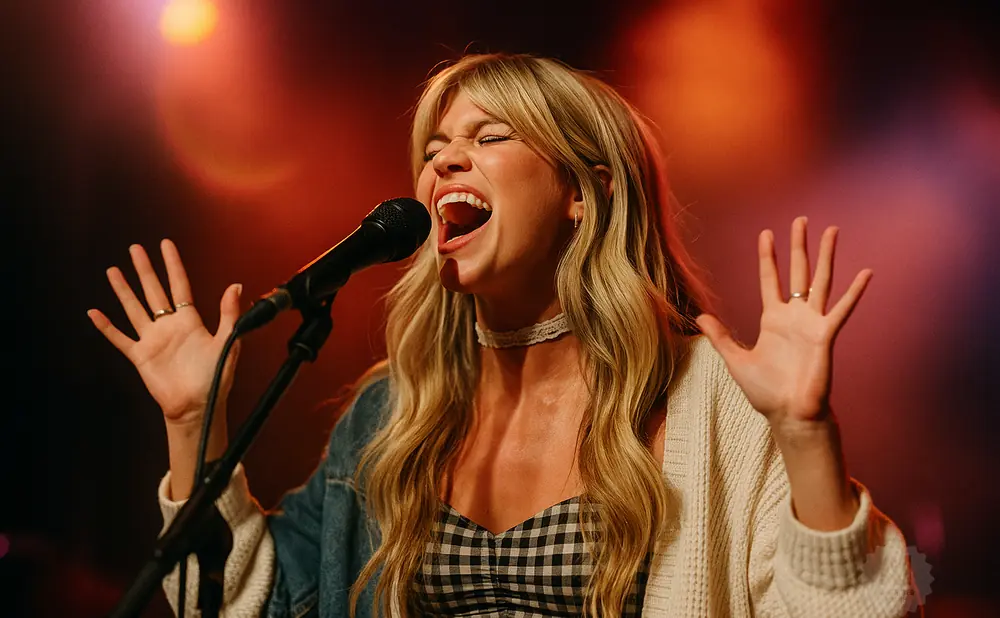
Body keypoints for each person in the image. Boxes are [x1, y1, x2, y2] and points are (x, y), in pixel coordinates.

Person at [88, 53, 915, 617]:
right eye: (435, 148)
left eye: (488, 139)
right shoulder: (394, 413)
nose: (446, 163)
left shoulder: (706, 399)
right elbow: (253, 602)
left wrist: (804, 435)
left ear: (582, 194)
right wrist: (195, 423)